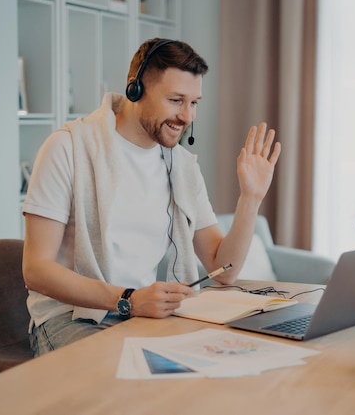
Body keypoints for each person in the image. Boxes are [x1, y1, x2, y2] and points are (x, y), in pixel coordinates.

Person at [22, 38, 281, 356]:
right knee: (131, 392)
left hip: (140, 317)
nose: (187, 116)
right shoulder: (68, 147)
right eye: (176, 100)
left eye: (194, 102)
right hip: (71, 319)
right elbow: (36, 269)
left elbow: (223, 268)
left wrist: (250, 199)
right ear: (136, 90)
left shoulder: (183, 168)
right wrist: (128, 298)